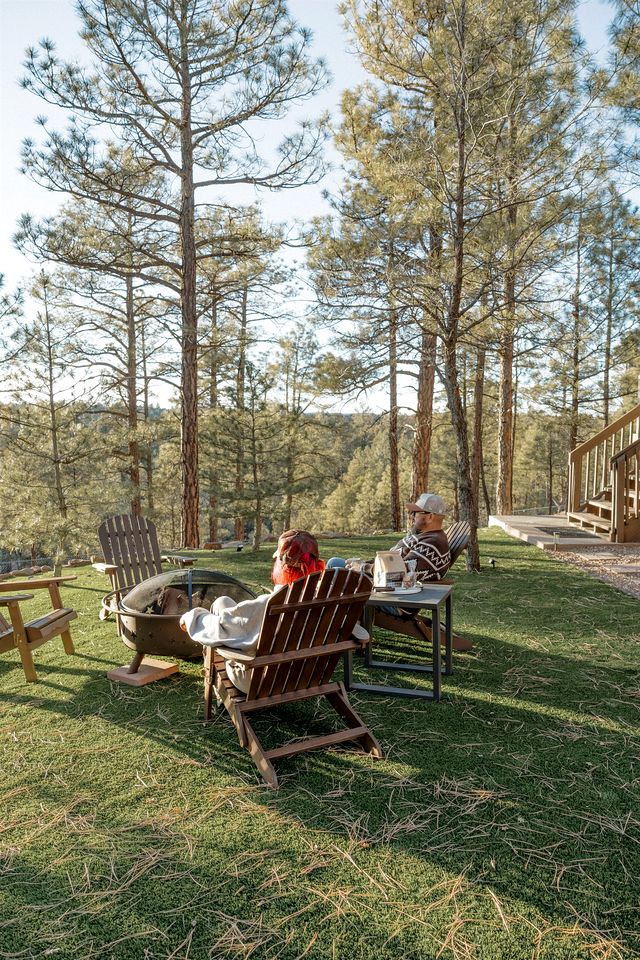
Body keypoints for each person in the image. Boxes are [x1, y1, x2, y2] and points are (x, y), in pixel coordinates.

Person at [179, 530, 326, 695]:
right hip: (307, 675)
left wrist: (194, 616)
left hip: (261, 681)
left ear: (281, 565)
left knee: (223, 625)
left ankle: (214, 686)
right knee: (222, 602)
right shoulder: (329, 600)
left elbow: (219, 628)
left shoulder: (268, 605)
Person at [327, 492, 451, 584]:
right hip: (380, 577)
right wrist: (366, 563)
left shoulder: (432, 544)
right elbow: (393, 559)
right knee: (334, 562)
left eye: (415, 513)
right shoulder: (424, 535)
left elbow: (399, 573)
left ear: (430, 517)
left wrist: (363, 568)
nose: (412, 517)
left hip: (390, 592)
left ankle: (328, 616)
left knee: (335, 572)